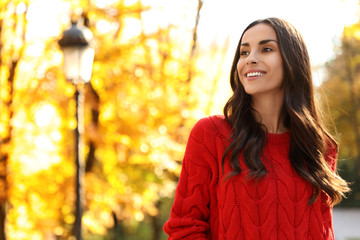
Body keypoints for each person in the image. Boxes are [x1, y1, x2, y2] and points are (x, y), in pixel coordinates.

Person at [163, 17, 350, 239]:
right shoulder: (210, 134)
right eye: (244, 52)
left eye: (266, 49)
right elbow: (184, 228)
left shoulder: (320, 147)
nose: (250, 59)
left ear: (293, 61)